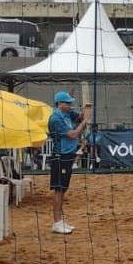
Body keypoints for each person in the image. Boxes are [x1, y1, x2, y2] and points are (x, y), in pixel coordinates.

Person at [47, 90, 92, 234]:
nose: (71, 106)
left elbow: (79, 117)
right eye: (68, 103)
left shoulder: (66, 114)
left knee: (63, 188)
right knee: (58, 189)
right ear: (60, 104)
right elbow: (72, 134)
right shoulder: (56, 118)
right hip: (60, 156)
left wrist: (86, 110)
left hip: (68, 155)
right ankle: (56, 222)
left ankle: (60, 220)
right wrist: (85, 121)